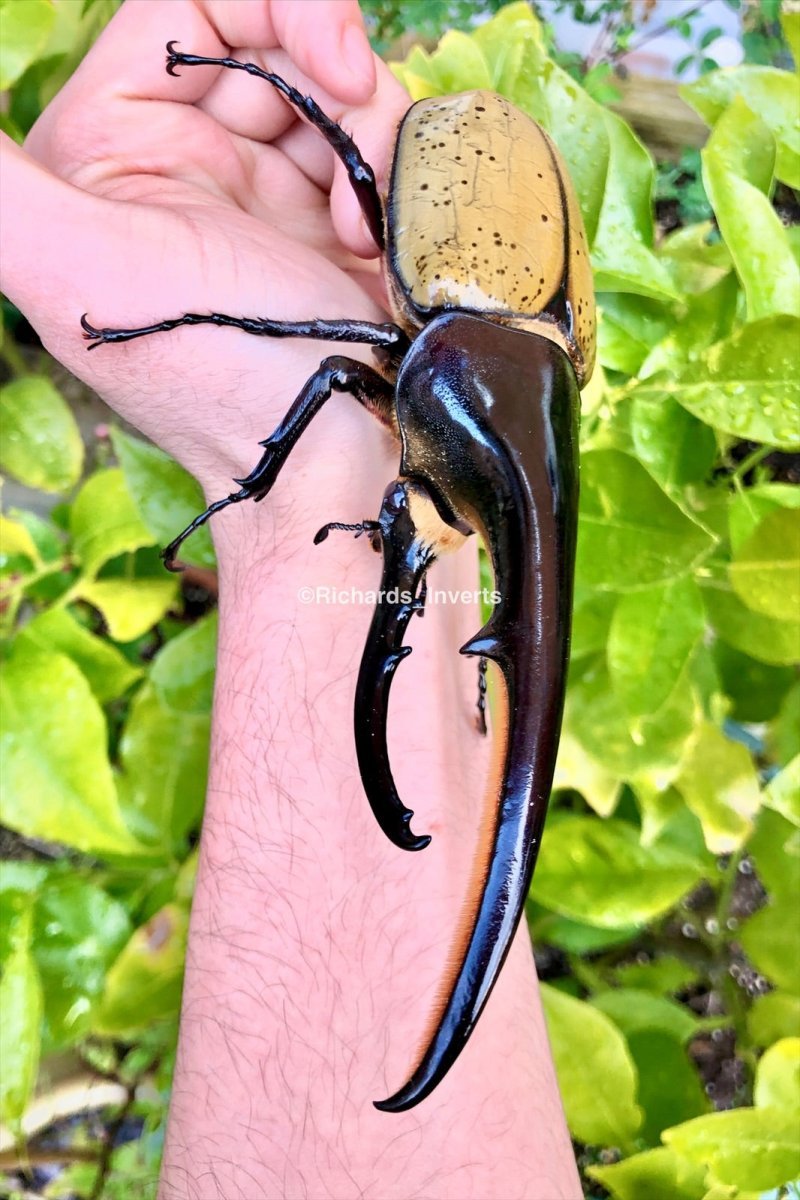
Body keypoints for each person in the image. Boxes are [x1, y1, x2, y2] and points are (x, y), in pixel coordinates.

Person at [0, 2, 581, 1195]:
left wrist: (290, 487)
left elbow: (347, 380)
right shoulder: (470, 326)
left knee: (330, 365)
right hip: (477, 239)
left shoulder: (498, 341)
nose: (397, 551)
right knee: (320, 352)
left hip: (492, 275)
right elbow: (319, 350)